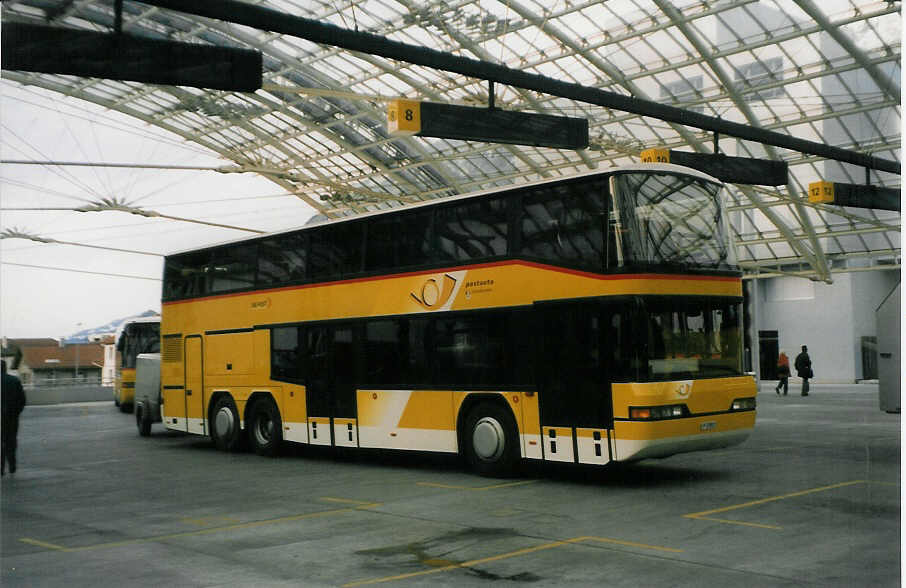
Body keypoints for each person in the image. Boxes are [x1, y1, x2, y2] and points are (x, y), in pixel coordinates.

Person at [2, 360, 27, 475]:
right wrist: (16, 413)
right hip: (11, 417)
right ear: (5, 368)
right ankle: (12, 465)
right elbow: (22, 400)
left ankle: (1, 468)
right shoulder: (14, 381)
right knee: (11, 441)